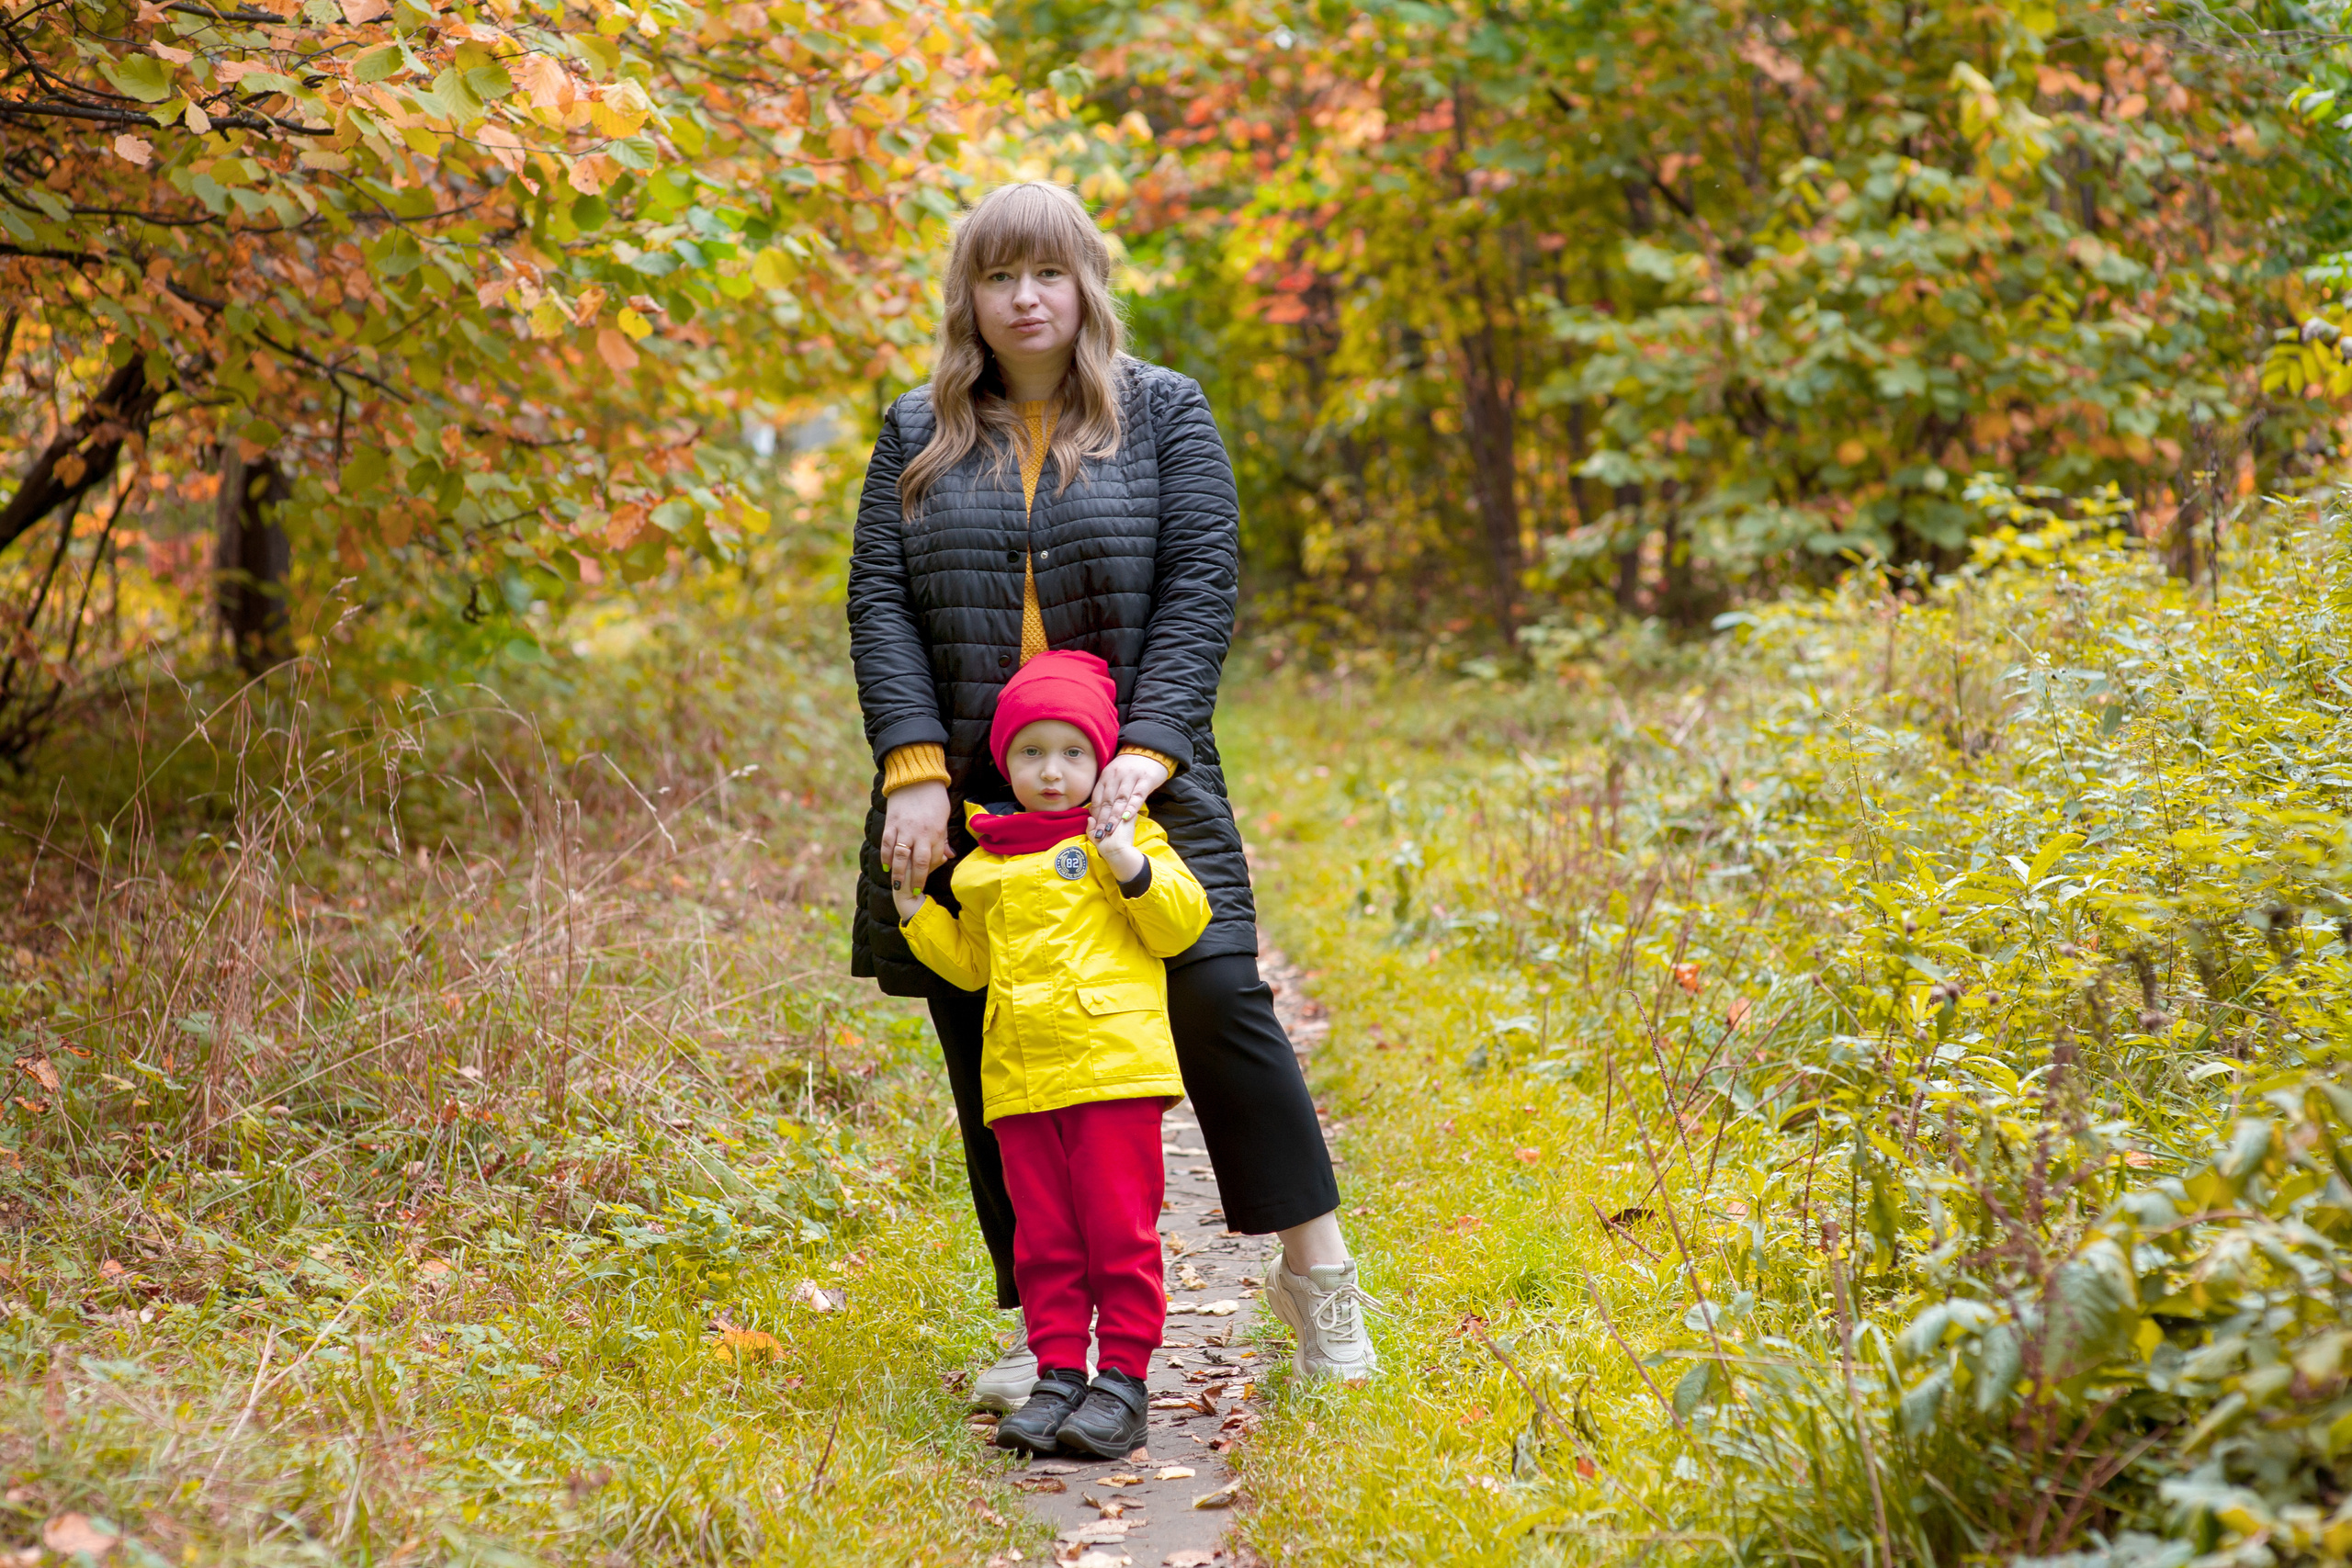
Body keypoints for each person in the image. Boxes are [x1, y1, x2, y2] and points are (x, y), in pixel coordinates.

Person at [846, 180, 1378, 1403]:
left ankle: (1322, 1286)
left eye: (1047, 272)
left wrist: (1150, 748)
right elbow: (880, 608)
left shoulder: (1165, 414)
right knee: (999, 1041)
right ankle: (1046, 1333)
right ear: (967, 297)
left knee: (1219, 1002)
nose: (1025, 299)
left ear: (1085, 281)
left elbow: (1200, 589)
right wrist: (916, 773)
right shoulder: (913, 430)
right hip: (982, 796)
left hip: (1142, 773)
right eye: (999, 277)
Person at [894, 650, 1208, 1455]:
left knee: (1117, 1231)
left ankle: (1124, 1380)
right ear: (1005, 761)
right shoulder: (984, 863)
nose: (1053, 771)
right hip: (1022, 1077)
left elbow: (1181, 925)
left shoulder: (1125, 839)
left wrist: (1129, 864)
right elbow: (973, 966)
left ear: (1101, 761)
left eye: (1073, 752)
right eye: (1031, 752)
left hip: (1111, 1069)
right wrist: (913, 912)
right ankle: (1060, 1371)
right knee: (1044, 1238)